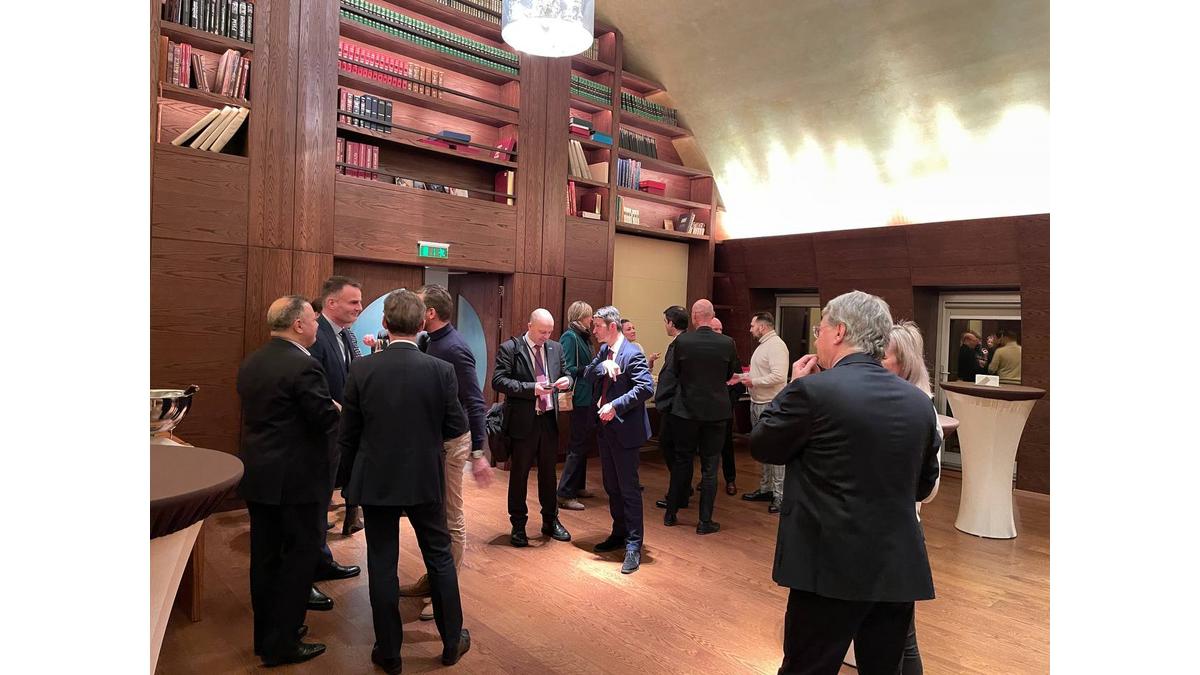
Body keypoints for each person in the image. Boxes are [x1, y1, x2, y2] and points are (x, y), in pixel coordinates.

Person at [751, 291, 940, 675]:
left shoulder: (811, 391)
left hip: (827, 568)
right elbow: (922, 486)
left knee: (807, 668)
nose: (816, 337)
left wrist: (791, 386)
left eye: (819, 329)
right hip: (895, 567)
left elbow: (762, 445)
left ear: (839, 332)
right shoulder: (919, 403)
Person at [337, 289, 473, 673]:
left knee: (382, 563)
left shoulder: (362, 369)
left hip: (376, 479)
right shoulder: (440, 371)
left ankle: (390, 653)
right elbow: (455, 426)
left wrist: (347, 484)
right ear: (420, 325)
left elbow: (348, 435)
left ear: (385, 323)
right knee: (440, 557)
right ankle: (451, 642)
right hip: (425, 478)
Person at [236, 296, 341, 666]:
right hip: (296, 480)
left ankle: (267, 637)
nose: (317, 326)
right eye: (313, 320)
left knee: (265, 559)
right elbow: (323, 419)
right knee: (298, 559)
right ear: (298, 324)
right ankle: (283, 642)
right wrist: (337, 410)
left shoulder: (253, 361)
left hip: (259, 475)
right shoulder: (304, 366)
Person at [396, 284, 495, 622]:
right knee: (434, 516)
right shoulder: (429, 341)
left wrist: (478, 451)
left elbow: (474, 401)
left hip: (453, 444)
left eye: (417, 306)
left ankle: (442, 591)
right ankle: (434, 578)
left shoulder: (454, 347)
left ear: (430, 313)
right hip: (433, 443)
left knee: (451, 517)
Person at [879, 320, 945, 675]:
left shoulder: (920, 411)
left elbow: (929, 490)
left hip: (898, 534)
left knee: (902, 638)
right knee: (899, 636)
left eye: (882, 356)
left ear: (903, 362)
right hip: (885, 533)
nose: (875, 362)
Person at [492, 309, 574, 547]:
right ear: (529, 326)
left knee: (549, 474)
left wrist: (568, 381)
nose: (546, 337)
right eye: (541, 332)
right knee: (519, 475)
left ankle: (551, 520)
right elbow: (498, 381)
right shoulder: (511, 348)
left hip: (548, 419)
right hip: (523, 421)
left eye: (549, 332)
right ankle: (518, 525)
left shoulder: (555, 348)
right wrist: (532, 388)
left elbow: (567, 373)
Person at [585, 306, 655, 573]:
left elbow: (645, 387)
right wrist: (601, 365)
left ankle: (634, 544)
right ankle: (619, 532)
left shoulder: (632, 353)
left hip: (625, 430)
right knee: (611, 486)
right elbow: (587, 374)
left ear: (611, 327)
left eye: (597, 326)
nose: (594, 330)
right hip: (606, 430)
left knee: (628, 489)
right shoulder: (604, 350)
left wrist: (615, 405)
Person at [661, 299, 740, 534]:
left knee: (682, 461)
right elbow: (730, 373)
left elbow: (674, 373)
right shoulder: (727, 343)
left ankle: (671, 513)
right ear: (712, 315)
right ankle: (705, 521)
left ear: (694, 317)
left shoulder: (682, 342)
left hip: (685, 411)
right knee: (710, 466)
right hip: (716, 412)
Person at [308, 275, 370, 542]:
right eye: (353, 302)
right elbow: (313, 385)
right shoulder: (316, 335)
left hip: (344, 429)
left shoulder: (346, 334)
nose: (359, 308)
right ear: (331, 303)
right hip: (323, 429)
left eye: (360, 302)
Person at [738, 312, 790, 514]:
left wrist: (753, 382)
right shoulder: (763, 346)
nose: (750, 329)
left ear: (762, 326)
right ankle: (766, 488)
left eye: (753, 325)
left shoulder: (776, 345)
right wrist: (741, 377)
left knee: (775, 450)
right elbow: (760, 373)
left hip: (770, 404)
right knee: (763, 449)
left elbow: (778, 376)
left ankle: (780, 495)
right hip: (757, 402)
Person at [557, 301, 598, 511]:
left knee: (582, 443)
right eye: (589, 316)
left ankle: (578, 486)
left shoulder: (583, 336)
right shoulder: (570, 337)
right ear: (581, 317)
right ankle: (565, 493)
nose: (592, 320)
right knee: (577, 444)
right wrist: (590, 369)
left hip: (587, 396)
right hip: (579, 396)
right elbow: (566, 367)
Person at [653, 305, 691, 510]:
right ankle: (682, 488)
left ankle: (679, 492)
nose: (665, 325)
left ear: (671, 323)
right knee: (677, 451)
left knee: (672, 449)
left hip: (675, 407)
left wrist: (663, 401)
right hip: (678, 406)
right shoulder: (683, 343)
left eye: (665, 321)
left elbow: (672, 377)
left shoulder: (680, 345)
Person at [710, 317, 741, 496]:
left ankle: (730, 479)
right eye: (715, 329)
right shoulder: (702, 353)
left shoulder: (730, 351)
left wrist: (729, 401)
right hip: (706, 407)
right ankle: (708, 478)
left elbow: (738, 383)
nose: (719, 333)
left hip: (724, 406)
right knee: (706, 446)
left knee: (726, 445)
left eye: (720, 329)